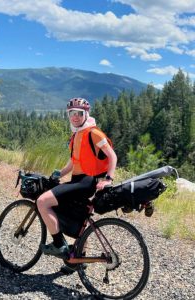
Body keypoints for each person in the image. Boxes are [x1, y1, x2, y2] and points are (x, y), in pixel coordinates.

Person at [37, 97, 117, 272]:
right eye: (71, 113)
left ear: (86, 114)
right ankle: (78, 260)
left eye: (79, 114)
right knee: (80, 218)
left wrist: (108, 179)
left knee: (42, 202)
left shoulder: (94, 133)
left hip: (87, 181)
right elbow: (74, 163)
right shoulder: (76, 135)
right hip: (78, 180)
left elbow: (112, 156)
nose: (75, 117)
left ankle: (58, 244)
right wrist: (58, 174)